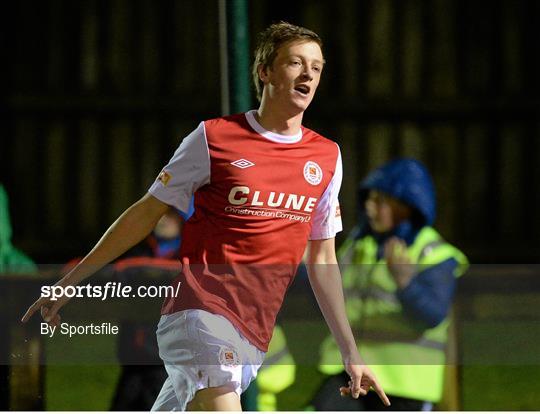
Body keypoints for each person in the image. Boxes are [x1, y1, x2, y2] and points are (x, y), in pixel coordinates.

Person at [22, 22, 390, 411]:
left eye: (316, 67)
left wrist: (350, 351)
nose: (308, 75)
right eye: (296, 63)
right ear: (265, 71)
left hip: (253, 332)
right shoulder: (214, 138)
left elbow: (322, 259)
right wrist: (70, 282)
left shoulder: (326, 157)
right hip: (199, 313)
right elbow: (146, 211)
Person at [315, 158, 468, 411]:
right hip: (350, 374)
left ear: (406, 206)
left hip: (405, 383)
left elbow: (432, 315)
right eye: (369, 199)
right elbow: (323, 299)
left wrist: (406, 283)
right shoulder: (357, 245)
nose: (369, 208)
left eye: (380, 201)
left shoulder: (435, 253)